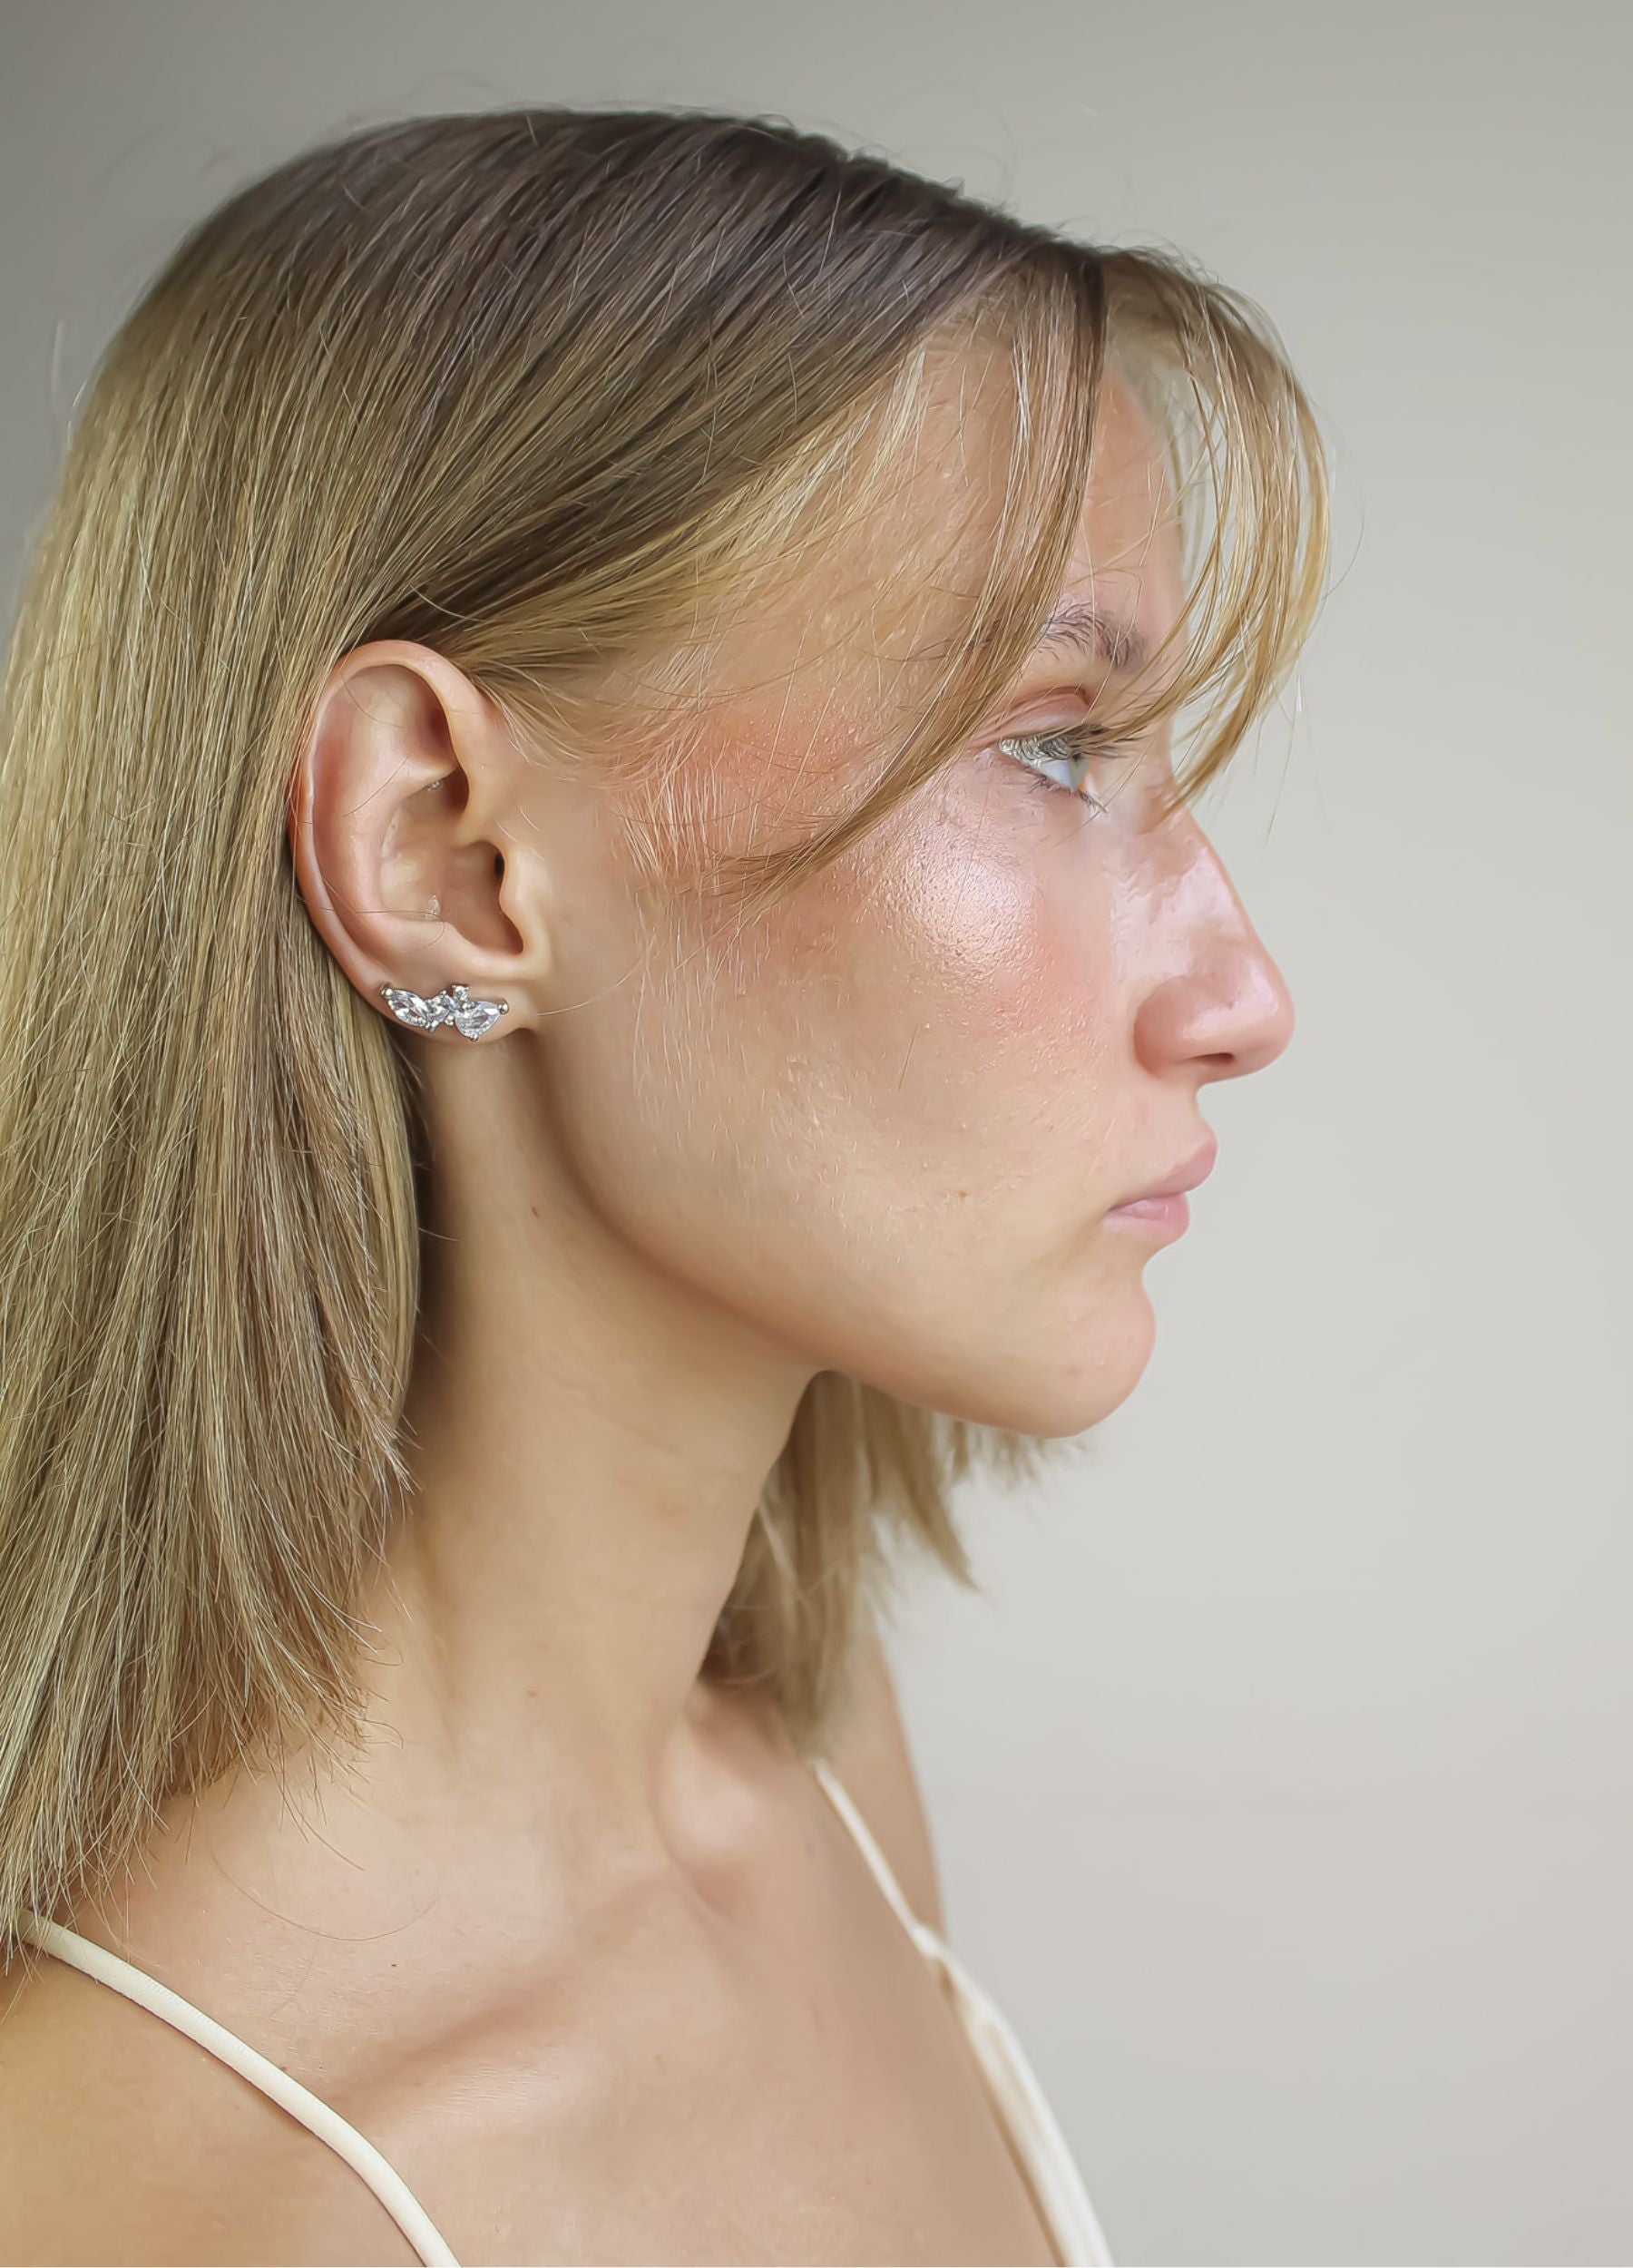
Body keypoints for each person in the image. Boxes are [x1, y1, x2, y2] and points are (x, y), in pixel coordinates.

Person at [0, 105, 1328, 2265]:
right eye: (1055, 743)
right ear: (443, 849)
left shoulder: (811, 1763)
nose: (1243, 991)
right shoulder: (208, 2193)